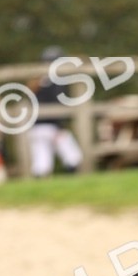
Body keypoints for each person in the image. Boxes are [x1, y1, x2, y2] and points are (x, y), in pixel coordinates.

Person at [28, 46, 83, 178]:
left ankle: (40, 189)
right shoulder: (57, 81)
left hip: (36, 127)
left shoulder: (37, 81)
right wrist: (59, 127)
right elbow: (58, 104)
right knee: (73, 156)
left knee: (42, 163)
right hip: (51, 126)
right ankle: (71, 181)